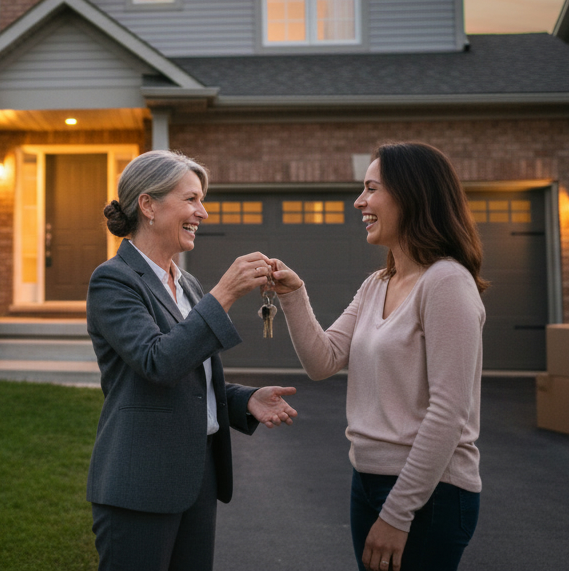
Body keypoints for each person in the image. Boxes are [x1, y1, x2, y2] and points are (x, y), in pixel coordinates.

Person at [268, 142, 487, 571]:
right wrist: (294, 295)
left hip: (430, 493)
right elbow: (324, 360)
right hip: (367, 483)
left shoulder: (445, 283)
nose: (359, 201)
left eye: (371, 188)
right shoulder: (377, 284)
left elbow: (449, 411)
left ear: (412, 195)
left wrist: (399, 512)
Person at [87, 149, 299, 571]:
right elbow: (157, 362)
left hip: (197, 478)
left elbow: (190, 370)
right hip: (140, 483)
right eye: (191, 199)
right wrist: (225, 294)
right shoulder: (114, 280)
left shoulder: (186, 283)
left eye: (201, 201)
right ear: (148, 205)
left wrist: (243, 400)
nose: (202, 212)